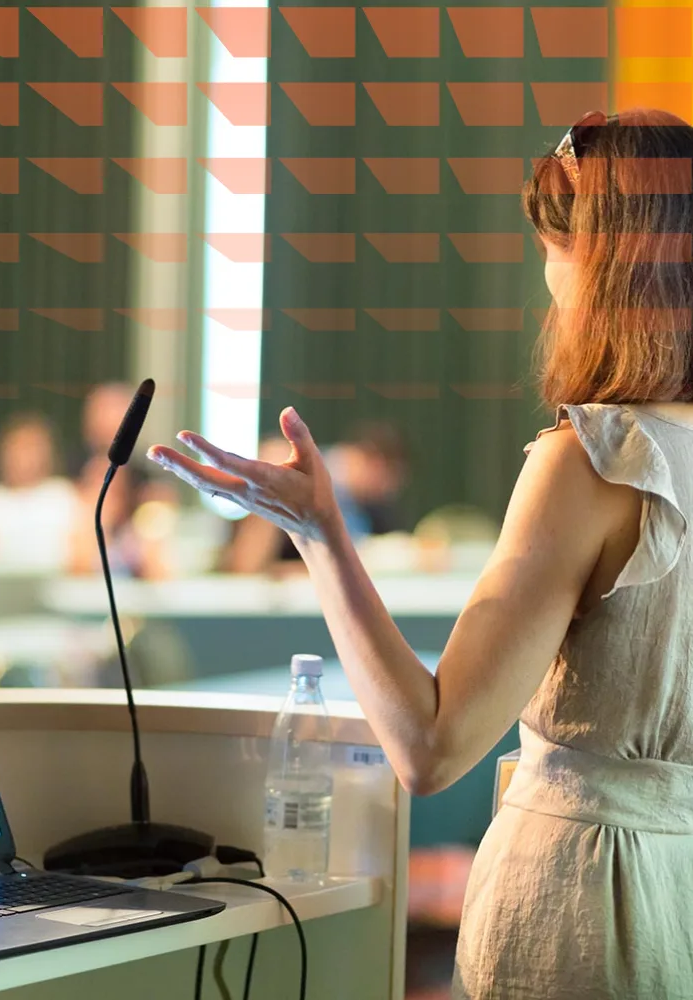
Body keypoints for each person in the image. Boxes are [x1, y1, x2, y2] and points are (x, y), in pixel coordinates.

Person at [147, 107, 693, 997]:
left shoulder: (593, 461)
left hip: (586, 901)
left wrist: (320, 535)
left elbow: (431, 748)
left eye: (554, 248)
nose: (547, 276)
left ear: (604, 262)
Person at [219, 422, 409, 575]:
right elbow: (247, 568)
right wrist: (267, 496)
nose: (387, 489)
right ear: (373, 463)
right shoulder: (291, 479)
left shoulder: (371, 510)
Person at [0, 412, 79, 570]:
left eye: (31, 447)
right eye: (17, 446)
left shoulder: (63, 494)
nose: (23, 456)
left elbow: (82, 554)